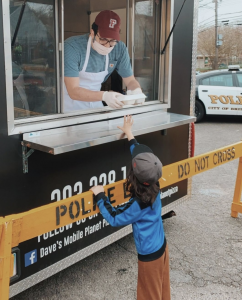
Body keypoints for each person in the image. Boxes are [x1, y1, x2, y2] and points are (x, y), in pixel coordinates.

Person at [90, 115, 171, 300]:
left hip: (150, 257)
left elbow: (115, 217)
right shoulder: (155, 185)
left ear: (133, 175)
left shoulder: (138, 204)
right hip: (162, 247)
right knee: (162, 291)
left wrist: (100, 195)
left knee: (148, 295)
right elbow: (141, 158)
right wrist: (129, 133)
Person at [64, 10, 144, 112]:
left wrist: (136, 91)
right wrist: (105, 96)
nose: (107, 45)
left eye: (112, 41)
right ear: (92, 33)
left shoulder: (119, 48)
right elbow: (73, 91)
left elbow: (130, 80)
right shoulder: (72, 47)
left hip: (96, 105)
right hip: (70, 107)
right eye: (103, 39)